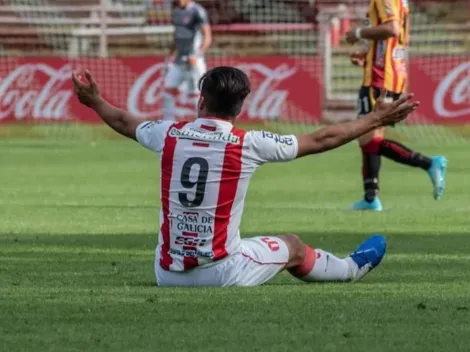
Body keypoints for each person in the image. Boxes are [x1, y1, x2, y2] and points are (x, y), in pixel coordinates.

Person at [72, 66, 419, 287]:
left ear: (201, 99)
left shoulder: (168, 134)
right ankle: (349, 269)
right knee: (293, 246)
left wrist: (95, 100)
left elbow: (123, 121)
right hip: (221, 272)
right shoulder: (248, 143)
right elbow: (322, 138)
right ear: (240, 107)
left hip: (166, 274)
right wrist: (375, 120)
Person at [345, 0, 447, 211]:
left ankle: (429, 164)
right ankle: (371, 197)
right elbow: (389, 39)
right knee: (370, 138)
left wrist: (358, 32)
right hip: (389, 73)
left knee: (368, 137)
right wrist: (366, 56)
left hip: (380, 77)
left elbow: (392, 29)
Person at [162, 0, 212, 120]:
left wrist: (198, 54)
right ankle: (167, 123)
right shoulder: (176, 11)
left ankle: (200, 123)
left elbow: (207, 35)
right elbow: (177, 36)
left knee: (196, 94)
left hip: (194, 59)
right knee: (168, 90)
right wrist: (172, 54)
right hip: (179, 60)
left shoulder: (197, 11)